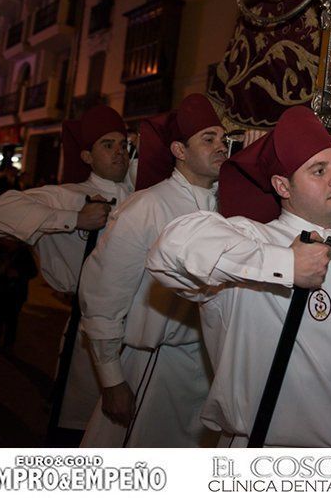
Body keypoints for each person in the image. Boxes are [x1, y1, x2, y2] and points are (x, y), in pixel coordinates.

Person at [146, 106, 331, 447]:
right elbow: (169, 250)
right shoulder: (253, 240)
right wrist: (285, 263)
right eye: (318, 170)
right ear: (282, 185)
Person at [79, 94, 231, 447]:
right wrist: (111, 378)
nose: (221, 146)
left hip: (209, 366)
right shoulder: (147, 206)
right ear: (179, 150)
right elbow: (103, 296)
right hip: (155, 364)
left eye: (223, 139)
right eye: (208, 139)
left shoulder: (228, 205)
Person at [0, 105, 133, 443]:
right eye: (107, 145)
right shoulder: (66, 195)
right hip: (88, 329)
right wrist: (74, 219)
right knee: (80, 431)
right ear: (86, 155)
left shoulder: (139, 199)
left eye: (123, 144)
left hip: (136, 330)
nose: (119, 152)